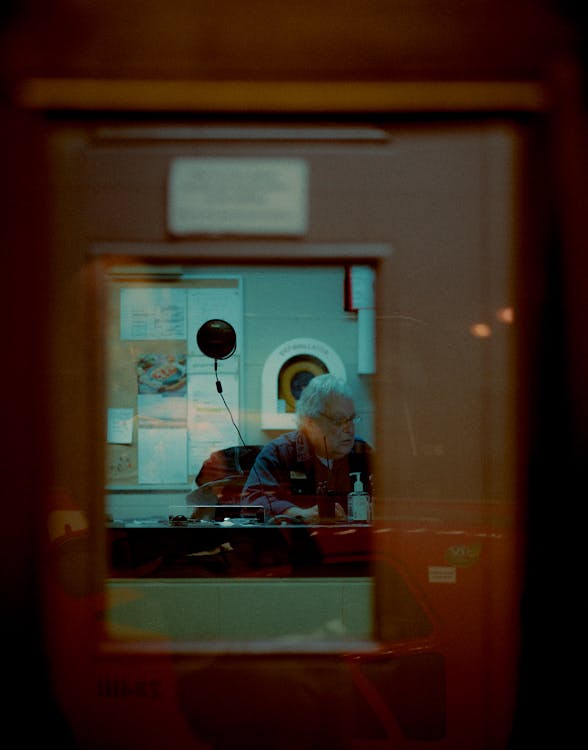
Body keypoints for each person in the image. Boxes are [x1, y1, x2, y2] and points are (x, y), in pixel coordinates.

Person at [241, 374, 373, 523]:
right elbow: (252, 500)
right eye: (339, 421)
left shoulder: (363, 453)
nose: (350, 429)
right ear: (310, 423)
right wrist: (297, 514)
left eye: (352, 419)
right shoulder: (279, 453)